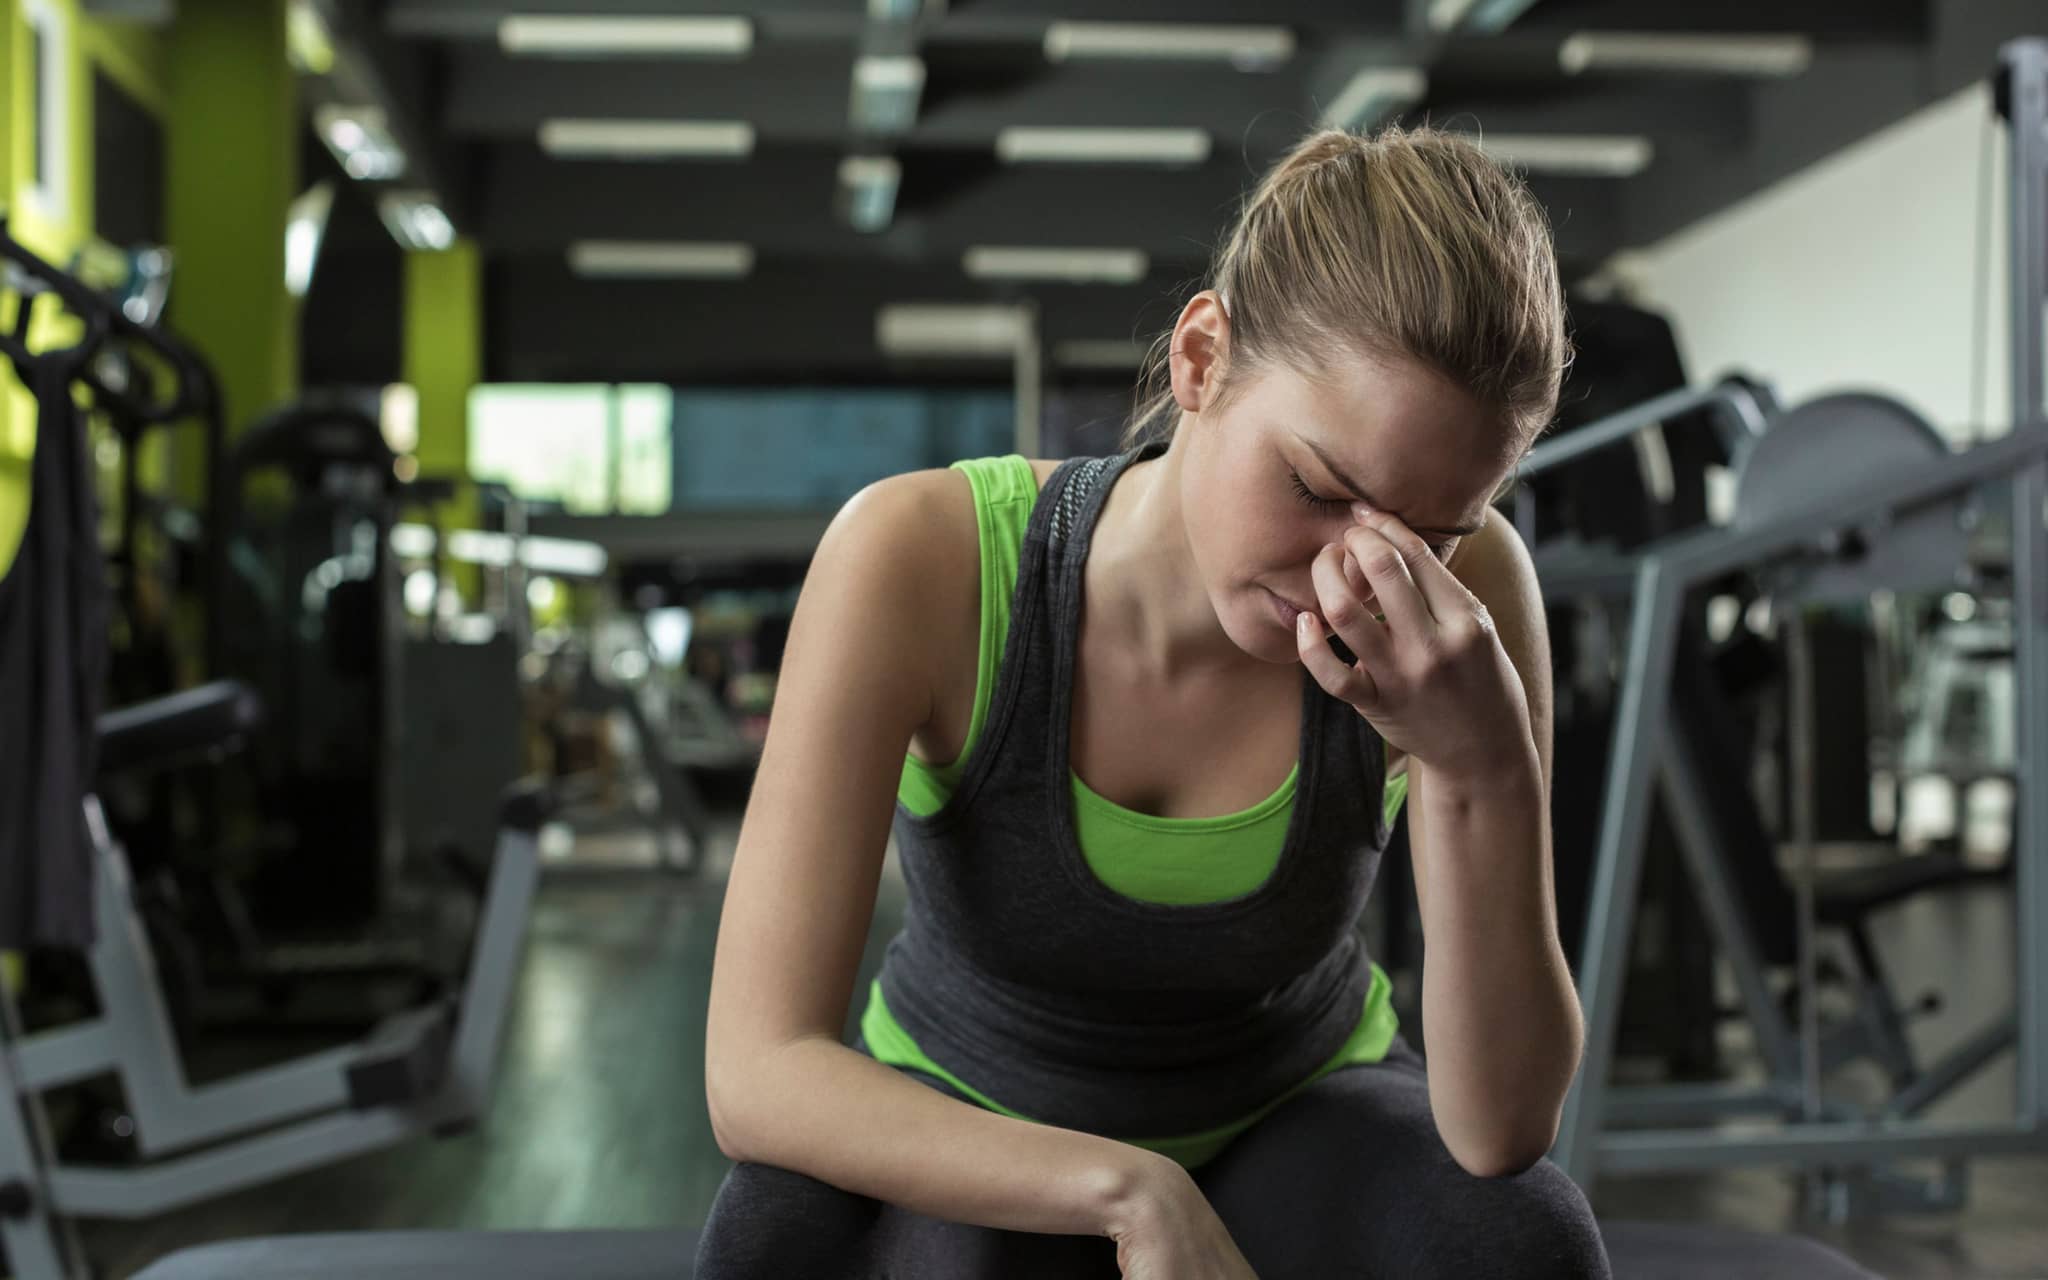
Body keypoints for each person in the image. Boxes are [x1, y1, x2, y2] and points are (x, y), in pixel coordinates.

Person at [696, 124, 1610, 1279]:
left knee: (1518, 1235)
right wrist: (1127, 1191)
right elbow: (757, 1067)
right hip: (973, 1107)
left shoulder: (1461, 606)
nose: (1353, 575)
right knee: (783, 1236)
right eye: (1315, 487)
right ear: (1199, 357)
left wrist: (1482, 765)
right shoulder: (917, 555)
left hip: (1296, 1115)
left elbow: (1499, 1129)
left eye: (1426, 535)